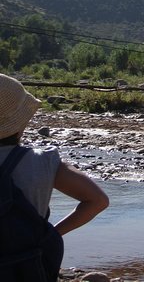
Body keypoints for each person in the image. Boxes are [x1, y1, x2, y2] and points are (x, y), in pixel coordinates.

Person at [0, 74, 109, 280]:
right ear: (21, 121)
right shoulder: (42, 162)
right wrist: (51, 234)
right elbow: (98, 201)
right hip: (26, 267)